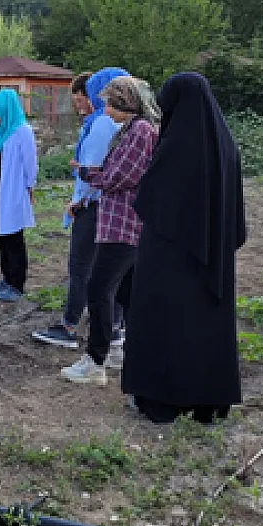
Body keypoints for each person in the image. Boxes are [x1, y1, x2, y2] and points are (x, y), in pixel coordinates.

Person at [123, 72, 246, 423]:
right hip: (212, 260)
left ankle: (161, 400)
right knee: (205, 328)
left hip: (168, 259)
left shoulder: (175, 148)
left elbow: (148, 201)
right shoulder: (226, 144)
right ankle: (207, 404)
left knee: (164, 325)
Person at [60, 76, 160, 385]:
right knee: (125, 290)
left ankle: (95, 361)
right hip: (121, 221)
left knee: (99, 287)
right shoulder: (133, 129)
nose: (104, 110)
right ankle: (120, 347)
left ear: (125, 103)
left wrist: (88, 173)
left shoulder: (141, 131)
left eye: (108, 104)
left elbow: (121, 176)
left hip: (124, 224)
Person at [33, 67, 128, 349]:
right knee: (114, 269)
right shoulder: (131, 123)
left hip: (94, 204)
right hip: (115, 205)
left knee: (81, 265)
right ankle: (116, 326)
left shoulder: (102, 123)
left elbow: (92, 167)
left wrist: (79, 199)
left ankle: (70, 326)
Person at [0, 89, 37, 302]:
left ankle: (17, 284)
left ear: (4, 109)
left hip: (12, 193)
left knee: (13, 239)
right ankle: (6, 278)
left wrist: (30, 187)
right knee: (0, 236)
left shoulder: (23, 131)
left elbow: (31, 164)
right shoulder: (2, 131)